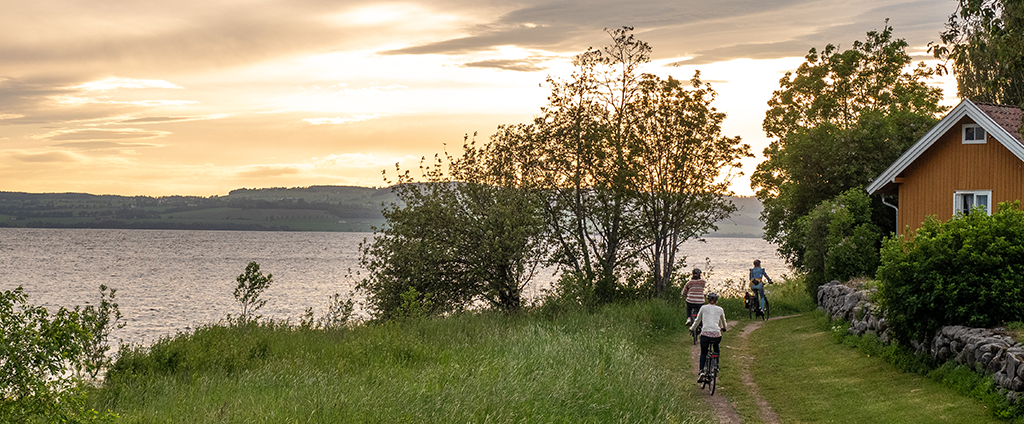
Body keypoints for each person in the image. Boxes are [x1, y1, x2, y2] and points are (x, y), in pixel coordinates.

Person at [690, 292, 727, 383]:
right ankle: (716, 365)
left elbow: (698, 320)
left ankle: (701, 371)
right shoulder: (720, 309)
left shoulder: (703, 308)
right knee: (716, 347)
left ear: (708, 300)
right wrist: (724, 328)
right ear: (716, 301)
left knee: (704, 352)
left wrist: (692, 328)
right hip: (716, 334)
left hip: (705, 334)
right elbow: (724, 321)